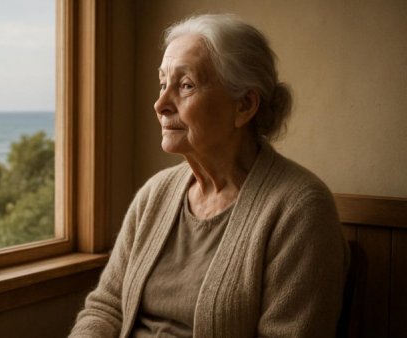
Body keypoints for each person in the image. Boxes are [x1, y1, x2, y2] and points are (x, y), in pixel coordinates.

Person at [69, 14, 349, 338]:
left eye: (185, 85)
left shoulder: (299, 210)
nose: (160, 104)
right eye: (162, 83)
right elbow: (106, 306)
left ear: (244, 105)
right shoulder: (155, 194)